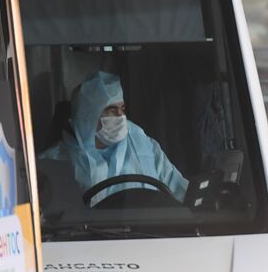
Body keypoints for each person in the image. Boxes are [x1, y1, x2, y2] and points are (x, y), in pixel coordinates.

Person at [42, 70, 189, 203]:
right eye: (111, 110)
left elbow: (178, 187)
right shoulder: (55, 162)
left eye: (122, 109)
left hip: (152, 230)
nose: (120, 116)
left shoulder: (143, 144)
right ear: (89, 116)